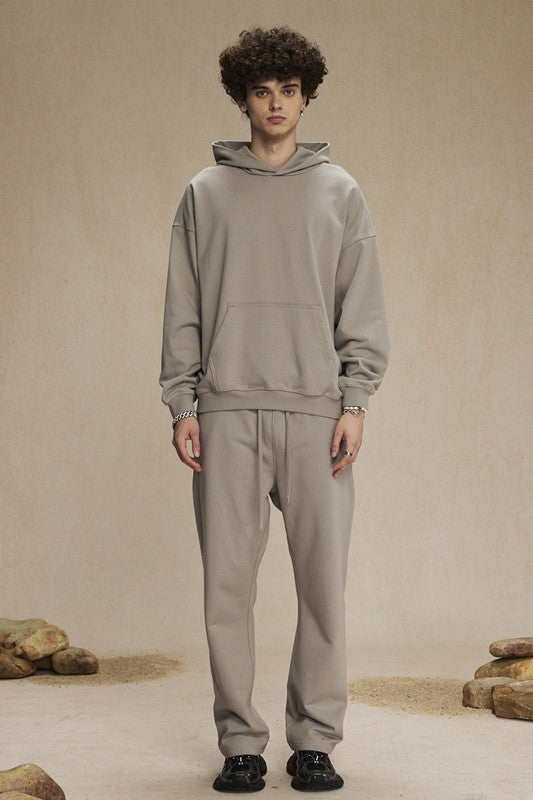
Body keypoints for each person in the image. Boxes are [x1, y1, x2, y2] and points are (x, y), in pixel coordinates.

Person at [160, 26, 389, 793]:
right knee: (226, 591)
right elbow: (183, 305)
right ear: (242, 99)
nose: (276, 103)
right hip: (226, 414)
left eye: (288, 90)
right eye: (261, 91)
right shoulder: (204, 193)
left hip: (318, 416)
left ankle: (314, 740)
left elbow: (361, 304)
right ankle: (239, 743)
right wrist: (181, 401)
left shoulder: (339, 192)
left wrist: (355, 400)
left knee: (322, 587)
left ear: (305, 95)